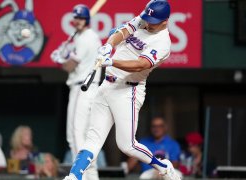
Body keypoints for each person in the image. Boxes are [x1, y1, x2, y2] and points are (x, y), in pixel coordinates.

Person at [63, 0, 181, 180]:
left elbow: (140, 65)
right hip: (107, 85)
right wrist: (109, 46)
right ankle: (74, 176)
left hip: (128, 91)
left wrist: (112, 61)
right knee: (92, 138)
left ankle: (163, 166)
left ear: (165, 22)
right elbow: (123, 31)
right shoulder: (145, 19)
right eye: (147, 18)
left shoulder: (163, 42)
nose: (148, 22)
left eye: (153, 20)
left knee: (127, 145)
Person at [51, 4, 102, 180]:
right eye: (76, 18)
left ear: (87, 19)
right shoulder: (86, 36)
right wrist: (64, 55)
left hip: (83, 87)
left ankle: (78, 175)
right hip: (87, 87)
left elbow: (70, 65)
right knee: (81, 138)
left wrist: (59, 60)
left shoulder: (86, 38)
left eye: (81, 18)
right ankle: (90, 176)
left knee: (76, 136)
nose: (78, 21)